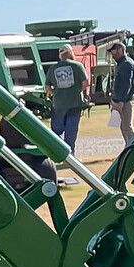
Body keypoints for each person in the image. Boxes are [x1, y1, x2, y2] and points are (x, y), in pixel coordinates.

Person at [46, 45, 88, 176]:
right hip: (74, 103)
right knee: (71, 130)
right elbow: (85, 83)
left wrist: (55, 93)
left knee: (56, 131)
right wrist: (77, 91)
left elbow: (47, 86)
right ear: (70, 52)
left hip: (58, 104)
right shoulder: (77, 66)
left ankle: (55, 155)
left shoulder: (53, 68)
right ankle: (70, 157)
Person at [107, 39, 134, 149]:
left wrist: (121, 102)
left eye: (114, 51)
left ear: (121, 50)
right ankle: (129, 146)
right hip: (123, 99)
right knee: (123, 125)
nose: (112, 54)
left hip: (126, 100)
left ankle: (133, 147)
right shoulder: (122, 63)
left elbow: (126, 85)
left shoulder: (125, 64)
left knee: (127, 125)